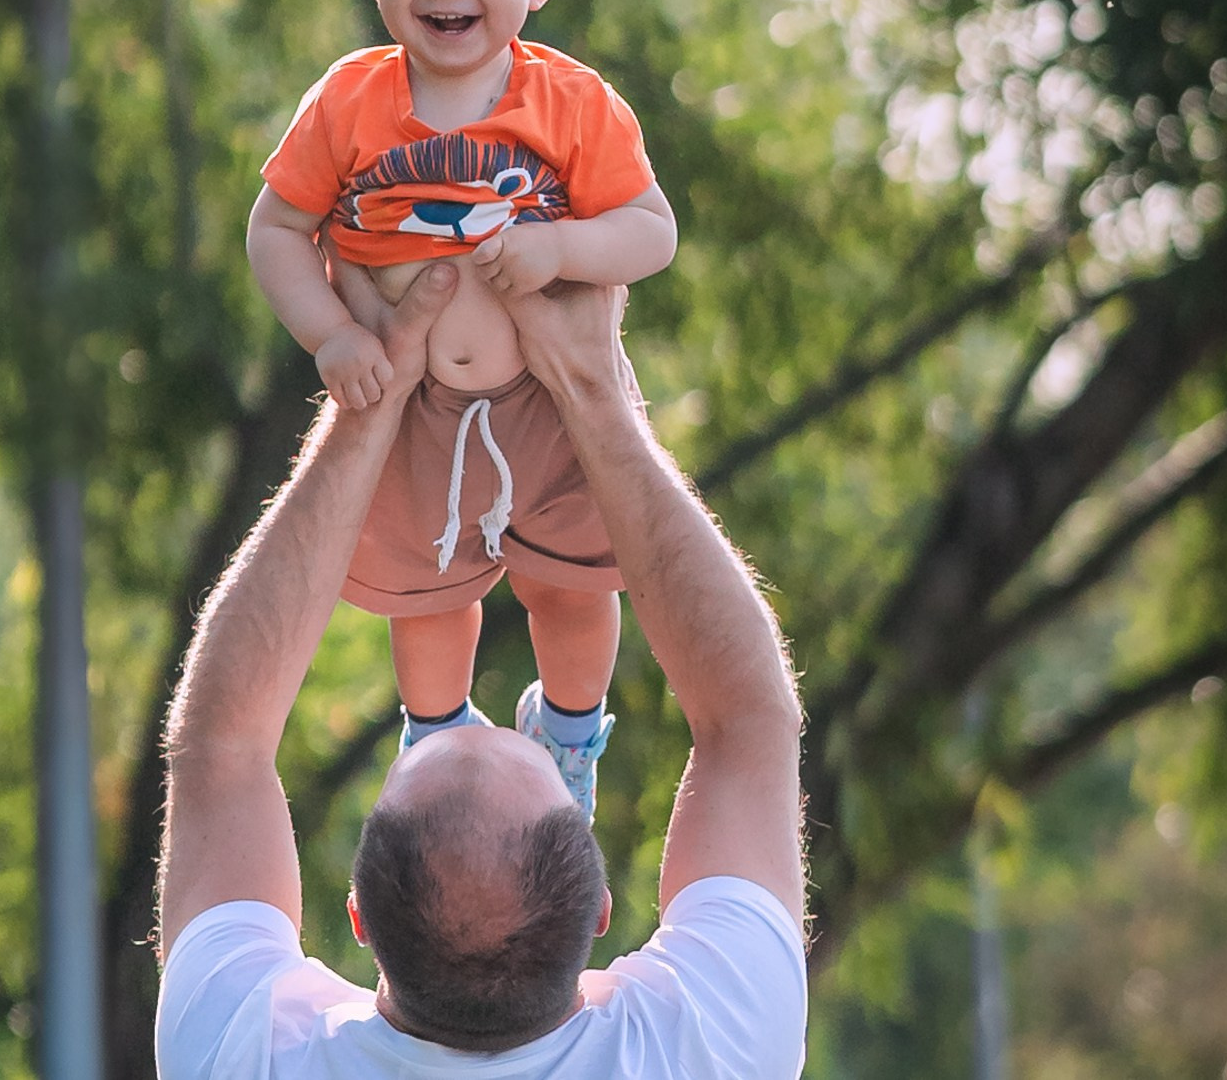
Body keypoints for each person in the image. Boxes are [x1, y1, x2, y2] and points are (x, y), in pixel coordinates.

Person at [154, 270, 806, 1077]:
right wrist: (586, 391)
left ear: (360, 918)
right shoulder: (240, 1059)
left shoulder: (707, 1053)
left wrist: (379, 394)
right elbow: (748, 716)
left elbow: (221, 743)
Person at [246, 0, 679, 814]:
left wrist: (563, 250)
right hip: (412, 406)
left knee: (575, 585)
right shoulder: (349, 103)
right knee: (428, 598)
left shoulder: (571, 104)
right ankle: (436, 738)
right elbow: (276, 229)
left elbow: (651, 232)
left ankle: (568, 734)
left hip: (551, 399)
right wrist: (330, 336)